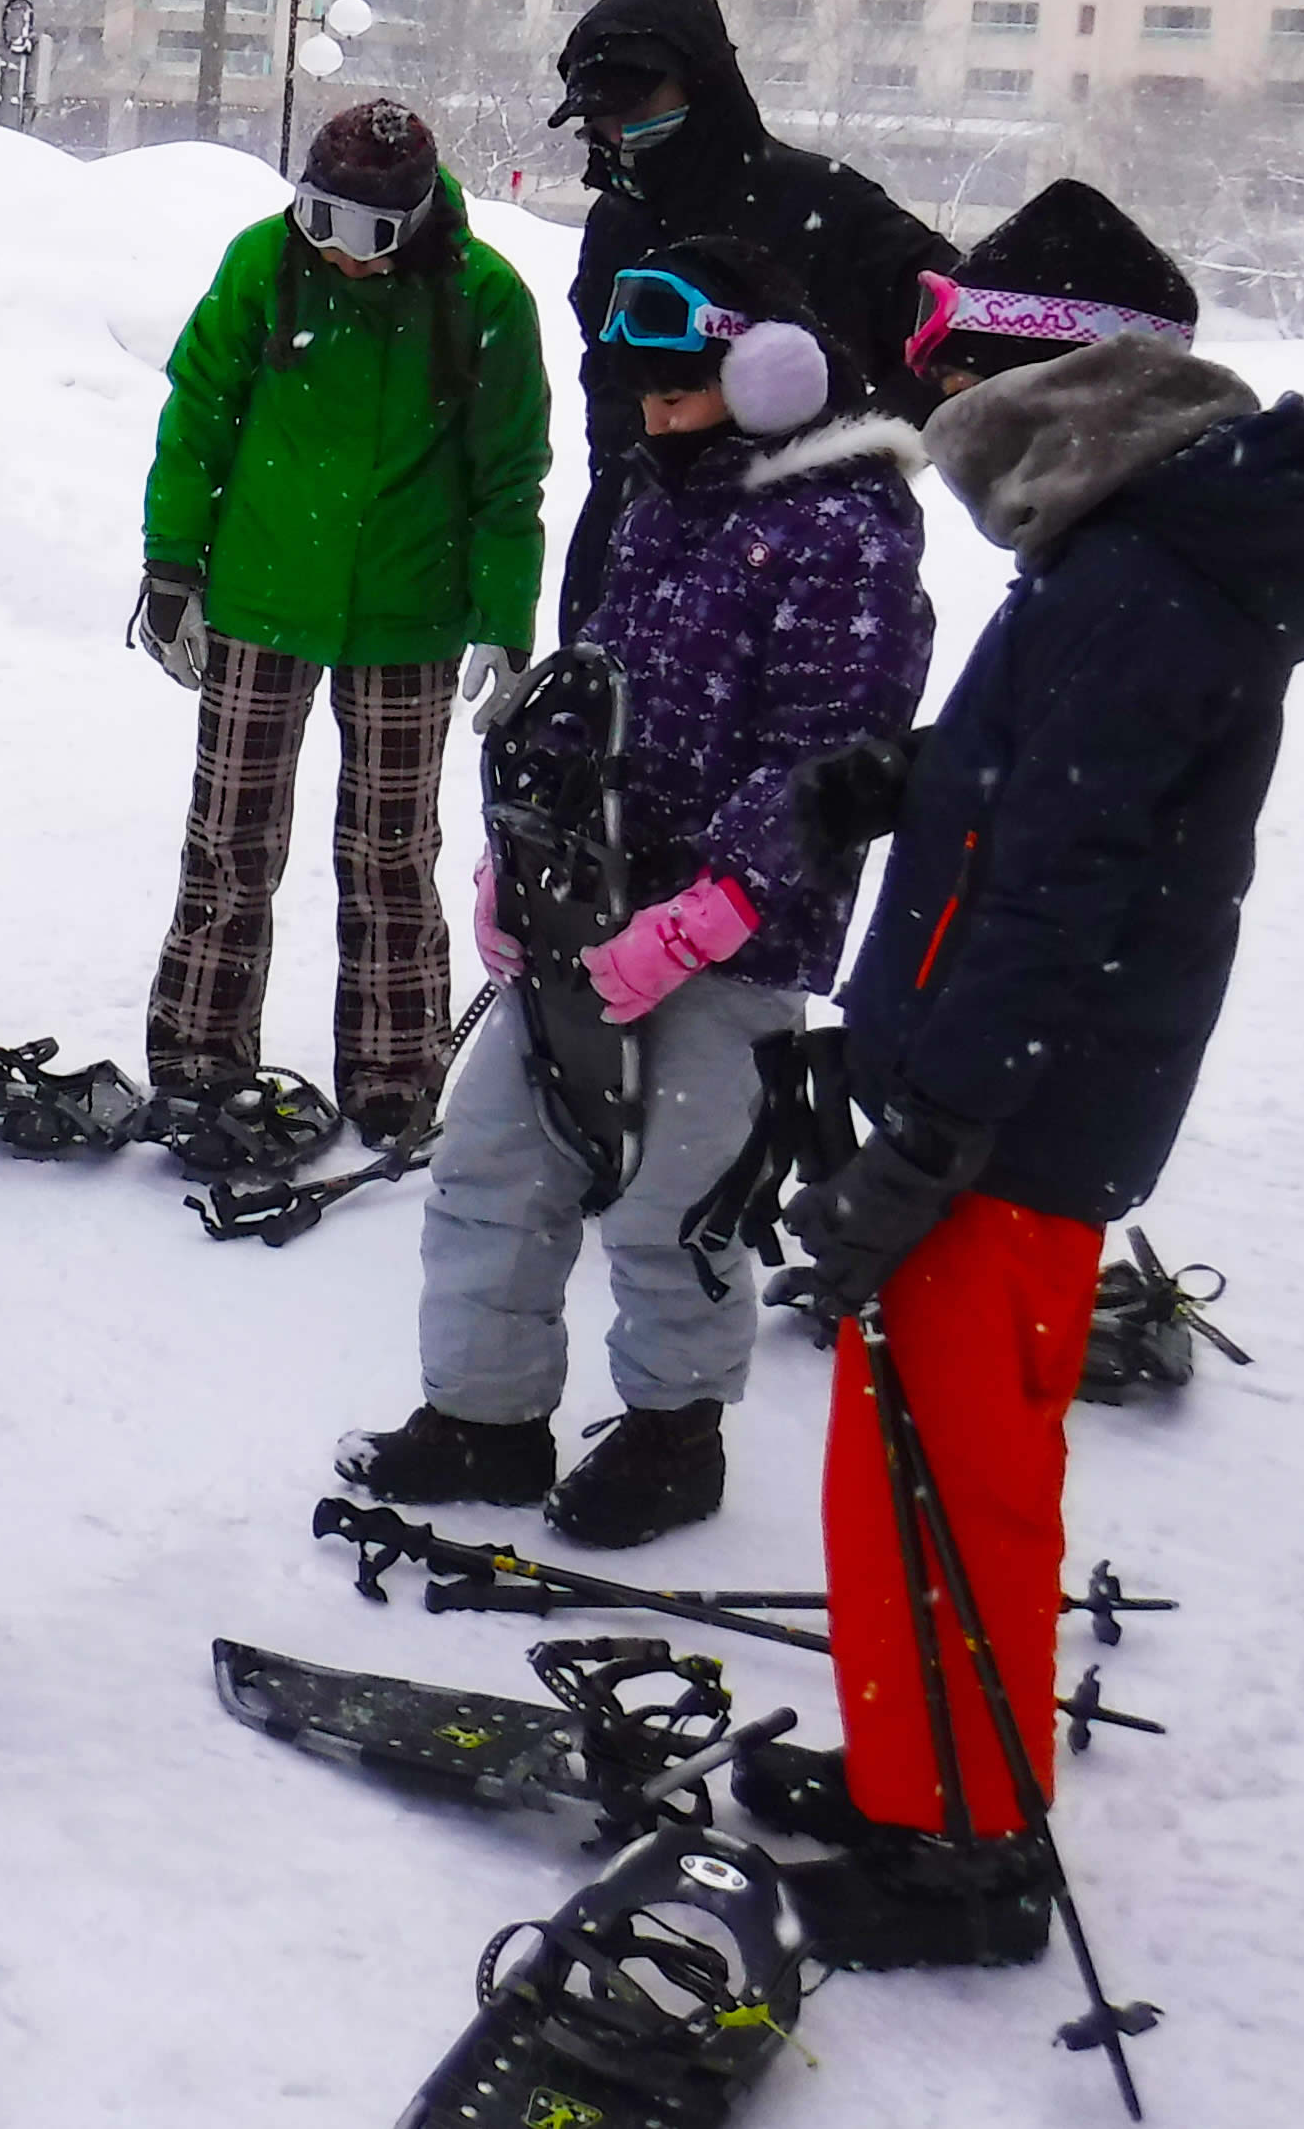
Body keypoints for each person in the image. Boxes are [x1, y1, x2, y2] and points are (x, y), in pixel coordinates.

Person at [734, 181, 1304, 1967]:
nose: (940, 412)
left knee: (959, 1480)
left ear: (1049, 384)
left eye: (958, 371)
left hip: (1013, 1113)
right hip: (993, 1086)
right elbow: (1043, 776)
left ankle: (967, 1848)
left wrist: (934, 1133)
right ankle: (907, 1765)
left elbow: (1064, 882)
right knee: (896, 1459)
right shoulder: (1118, 549)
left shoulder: (1147, 582)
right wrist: (916, 777)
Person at [338, 238, 933, 1546]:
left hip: (734, 940)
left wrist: (718, 903)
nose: (655, 419)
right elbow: (586, 681)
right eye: (641, 397)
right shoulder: (658, 499)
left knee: (681, 1205)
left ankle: (674, 1437)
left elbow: (837, 751)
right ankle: (484, 1420)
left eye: (678, 392)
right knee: (494, 1162)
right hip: (581, 904)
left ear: (769, 372)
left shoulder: (846, 531)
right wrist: (513, 854)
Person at [132, 101, 550, 1146]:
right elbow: (197, 414)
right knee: (227, 841)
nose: (338, 252)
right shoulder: (263, 264)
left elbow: (509, 472)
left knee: (390, 852)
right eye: (318, 219)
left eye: (366, 233)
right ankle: (196, 1055)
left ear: (415, 219)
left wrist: (503, 617)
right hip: (260, 596)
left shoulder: (483, 295)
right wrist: (172, 566)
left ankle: (394, 1069)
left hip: (411, 611)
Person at [550, 0, 953, 633]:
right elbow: (610, 391)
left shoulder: (823, 206)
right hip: (631, 555)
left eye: (636, 112)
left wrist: (843, 464)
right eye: (600, 121)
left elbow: (960, 333)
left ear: (702, 85)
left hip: (796, 583)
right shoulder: (616, 225)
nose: (618, 137)